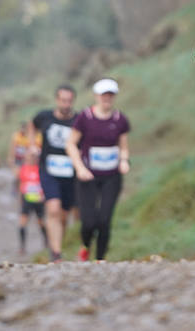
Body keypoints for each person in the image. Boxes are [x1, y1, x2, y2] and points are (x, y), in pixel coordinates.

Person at [65, 78, 130, 262]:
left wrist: (124, 160)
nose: (107, 99)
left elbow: (123, 146)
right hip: (88, 176)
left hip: (112, 176)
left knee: (104, 220)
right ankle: (85, 246)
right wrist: (79, 168)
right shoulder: (85, 118)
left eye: (110, 95)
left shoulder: (120, 120)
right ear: (96, 96)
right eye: (103, 95)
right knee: (89, 222)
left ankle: (100, 260)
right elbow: (70, 144)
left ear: (114, 97)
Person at [30, 84, 78, 262]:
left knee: (64, 215)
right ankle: (55, 253)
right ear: (57, 100)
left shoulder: (78, 120)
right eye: (63, 100)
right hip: (48, 169)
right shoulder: (45, 117)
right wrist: (33, 145)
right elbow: (31, 126)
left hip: (70, 172)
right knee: (53, 208)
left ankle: (57, 243)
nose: (66, 104)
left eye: (69, 101)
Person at [17, 148, 48, 255]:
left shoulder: (41, 169)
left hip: (39, 200)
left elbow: (46, 185)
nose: (33, 158)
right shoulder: (24, 168)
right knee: (22, 223)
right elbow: (21, 184)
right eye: (31, 155)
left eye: (35, 156)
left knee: (41, 223)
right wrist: (20, 199)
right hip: (27, 199)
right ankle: (22, 247)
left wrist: (44, 197)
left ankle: (46, 243)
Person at [10, 120, 42, 196]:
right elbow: (13, 150)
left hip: (32, 161)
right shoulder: (17, 136)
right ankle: (17, 191)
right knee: (18, 176)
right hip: (19, 160)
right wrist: (11, 161)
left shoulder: (37, 137)